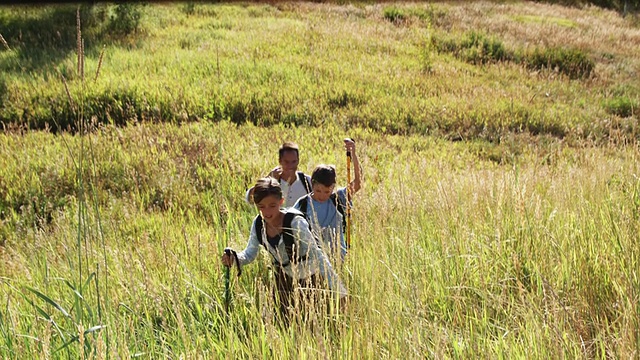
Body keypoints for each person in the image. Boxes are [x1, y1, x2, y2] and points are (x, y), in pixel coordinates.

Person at [224, 177, 347, 320]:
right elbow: (250, 253)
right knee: (283, 323)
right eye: (261, 207)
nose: (267, 211)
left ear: (281, 202)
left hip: (310, 280)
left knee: (311, 324)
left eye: (272, 205)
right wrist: (234, 258)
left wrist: (339, 291)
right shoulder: (258, 224)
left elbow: (318, 256)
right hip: (283, 279)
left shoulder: (295, 223)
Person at [293, 139, 361, 263]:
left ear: (333, 187)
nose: (322, 196)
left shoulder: (338, 199)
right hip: (311, 260)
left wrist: (353, 154)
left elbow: (357, 183)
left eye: (327, 191)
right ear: (311, 184)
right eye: (318, 191)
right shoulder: (302, 204)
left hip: (337, 258)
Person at [245, 142, 312, 208]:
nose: (290, 166)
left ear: (298, 161)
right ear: (280, 161)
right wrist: (267, 180)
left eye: (294, 161)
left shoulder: (307, 181)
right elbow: (250, 200)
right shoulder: (272, 182)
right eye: (286, 162)